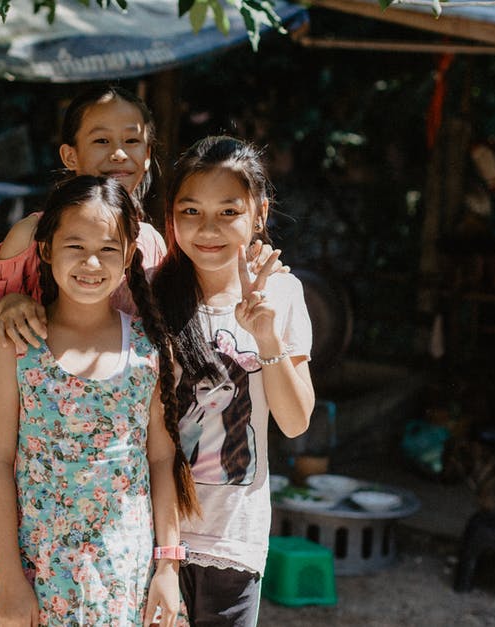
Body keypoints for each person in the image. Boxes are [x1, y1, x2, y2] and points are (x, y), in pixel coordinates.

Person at [0, 176, 196, 626]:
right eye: (75, 246)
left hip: (122, 576)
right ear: (47, 249)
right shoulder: (16, 344)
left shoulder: (148, 348)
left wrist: (167, 566)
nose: (92, 262)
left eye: (109, 249)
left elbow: (162, 459)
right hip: (33, 574)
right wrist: (10, 579)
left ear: (130, 256)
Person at [152, 136, 315, 626]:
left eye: (228, 212)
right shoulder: (149, 296)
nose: (208, 229)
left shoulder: (283, 293)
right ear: (171, 216)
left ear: (259, 214)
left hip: (235, 536)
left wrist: (265, 336)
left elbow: (294, 422)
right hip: (153, 533)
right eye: (191, 211)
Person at [0, 85, 168, 352]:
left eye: (131, 141)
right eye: (101, 141)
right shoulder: (33, 234)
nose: (119, 153)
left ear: (148, 156)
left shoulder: (151, 241)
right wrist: (6, 306)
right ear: (70, 155)